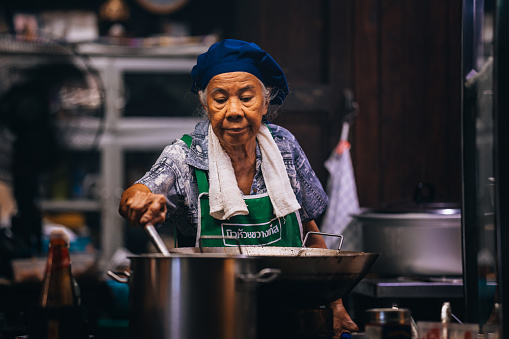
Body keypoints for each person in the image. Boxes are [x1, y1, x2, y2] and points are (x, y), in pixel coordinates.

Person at [118, 39, 358, 336]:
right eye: (220, 99)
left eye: (246, 97)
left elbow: (310, 234)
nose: (233, 111)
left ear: (266, 102)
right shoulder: (185, 157)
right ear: (206, 105)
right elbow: (137, 192)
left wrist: (334, 304)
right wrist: (139, 200)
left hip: (290, 319)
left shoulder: (284, 147)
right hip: (211, 319)